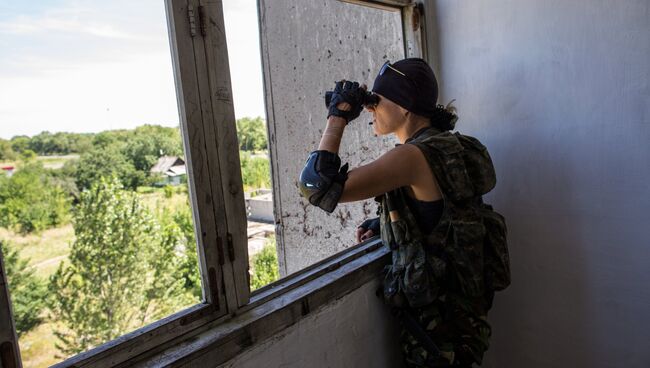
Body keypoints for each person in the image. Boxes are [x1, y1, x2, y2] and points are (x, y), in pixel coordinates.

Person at [299, 58, 508, 367]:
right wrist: (385, 223)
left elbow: (317, 186)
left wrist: (338, 114)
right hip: (462, 324)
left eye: (376, 101)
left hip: (436, 338)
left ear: (406, 106)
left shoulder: (412, 157)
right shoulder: (450, 145)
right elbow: (442, 214)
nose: (370, 108)